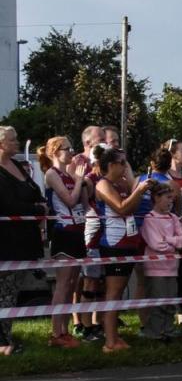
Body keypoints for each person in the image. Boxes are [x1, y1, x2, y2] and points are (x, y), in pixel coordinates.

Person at [87, 146, 152, 353]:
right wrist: (139, 191)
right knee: (113, 293)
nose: (126, 166)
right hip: (114, 245)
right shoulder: (103, 184)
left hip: (129, 242)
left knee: (119, 292)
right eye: (123, 163)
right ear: (112, 165)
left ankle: (115, 336)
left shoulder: (122, 182)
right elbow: (122, 207)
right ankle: (110, 341)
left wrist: (138, 190)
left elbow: (132, 207)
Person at [0, 125, 47, 355]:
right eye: (13, 139)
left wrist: (38, 205)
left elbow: (35, 190)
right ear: (1, 144)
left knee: (11, 293)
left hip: (24, 242)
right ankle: (2, 342)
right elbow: (7, 205)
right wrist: (37, 208)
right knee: (3, 293)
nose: (17, 143)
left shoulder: (18, 165)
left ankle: (6, 338)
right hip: (5, 243)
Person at [39, 136, 87, 348]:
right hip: (63, 231)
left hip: (78, 230)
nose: (71, 152)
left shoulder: (70, 173)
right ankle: (56, 332)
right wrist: (78, 182)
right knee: (62, 283)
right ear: (54, 152)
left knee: (72, 285)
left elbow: (84, 204)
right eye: (67, 149)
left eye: (72, 148)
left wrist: (84, 182)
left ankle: (65, 331)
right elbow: (68, 199)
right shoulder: (52, 173)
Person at [139, 183, 182, 341]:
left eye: (172, 198)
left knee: (171, 301)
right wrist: (175, 245)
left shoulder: (173, 218)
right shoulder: (149, 219)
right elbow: (156, 244)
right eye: (168, 197)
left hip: (172, 268)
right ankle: (155, 332)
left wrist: (170, 240)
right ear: (156, 198)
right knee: (158, 302)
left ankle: (168, 329)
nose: (171, 201)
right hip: (155, 269)